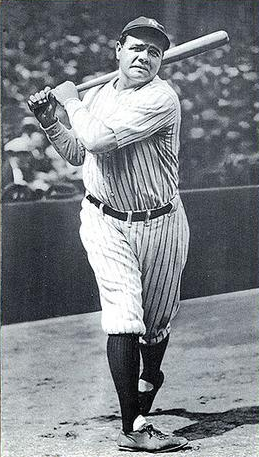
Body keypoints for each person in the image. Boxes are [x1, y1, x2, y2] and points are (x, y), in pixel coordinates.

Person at [28, 16, 190, 453]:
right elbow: (79, 152)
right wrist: (51, 122)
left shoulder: (162, 97)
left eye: (154, 52)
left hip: (160, 222)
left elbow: (97, 139)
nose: (144, 57)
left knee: (155, 326)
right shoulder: (97, 94)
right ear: (118, 50)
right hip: (104, 218)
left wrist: (70, 102)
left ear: (162, 62)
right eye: (136, 48)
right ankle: (133, 425)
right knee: (123, 317)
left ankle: (150, 375)